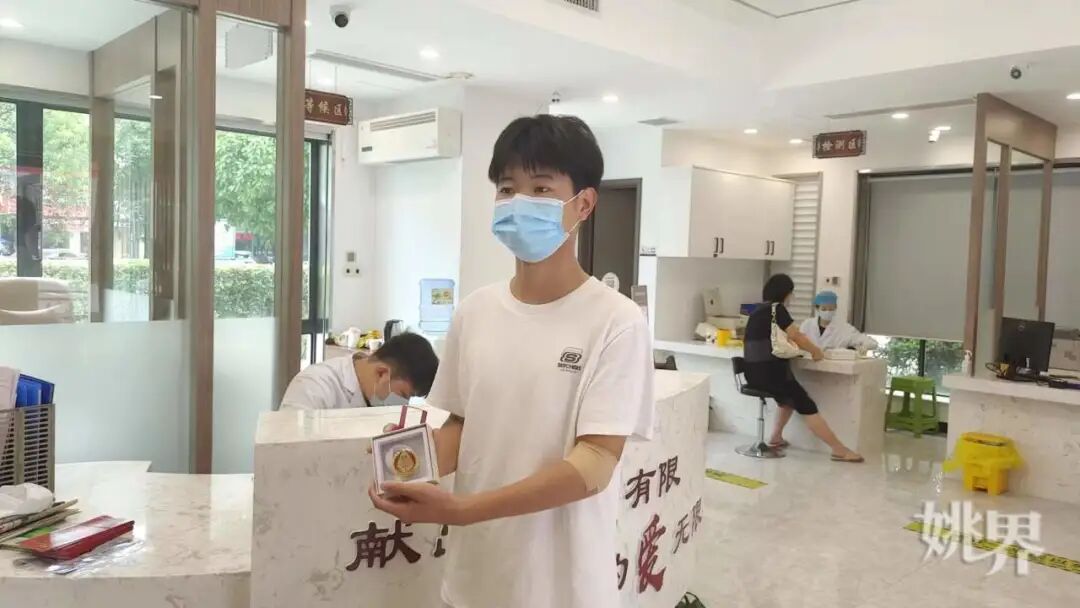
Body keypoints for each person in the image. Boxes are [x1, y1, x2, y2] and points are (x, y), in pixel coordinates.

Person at [368, 114, 654, 608]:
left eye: (541, 188)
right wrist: (407, 463)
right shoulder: (475, 311)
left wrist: (462, 509)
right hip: (474, 577)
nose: (519, 202)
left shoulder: (617, 321)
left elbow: (595, 462)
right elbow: (465, 425)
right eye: (506, 188)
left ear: (584, 204)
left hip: (561, 587)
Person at [743, 274, 863, 463]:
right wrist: (815, 351)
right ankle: (839, 450)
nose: (792, 297)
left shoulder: (758, 310)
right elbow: (796, 336)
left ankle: (776, 437)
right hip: (770, 374)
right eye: (791, 293)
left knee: (787, 400)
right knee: (806, 405)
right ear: (785, 293)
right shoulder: (777, 309)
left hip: (752, 374)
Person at [279, 332, 438, 410]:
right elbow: (289, 452)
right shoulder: (314, 386)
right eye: (403, 395)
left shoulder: (378, 402)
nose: (403, 404)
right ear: (381, 373)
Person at [798, 290, 878, 353]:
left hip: (833, 367)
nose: (827, 312)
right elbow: (797, 343)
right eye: (824, 309)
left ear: (835, 308)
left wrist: (862, 348)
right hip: (807, 366)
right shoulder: (807, 325)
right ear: (817, 308)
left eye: (831, 309)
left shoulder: (844, 328)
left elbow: (872, 343)